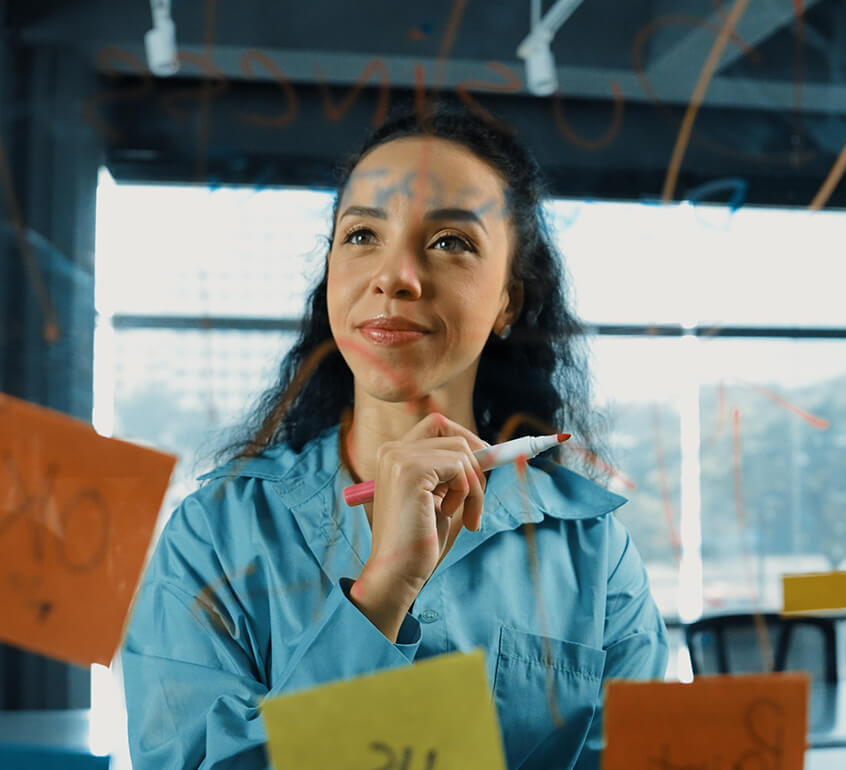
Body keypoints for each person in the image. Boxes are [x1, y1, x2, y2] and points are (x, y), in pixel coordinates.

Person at [121, 100, 668, 769]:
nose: (394, 276)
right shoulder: (215, 534)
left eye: (451, 243)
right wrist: (379, 595)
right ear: (331, 272)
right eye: (362, 235)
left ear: (509, 301)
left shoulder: (594, 552)